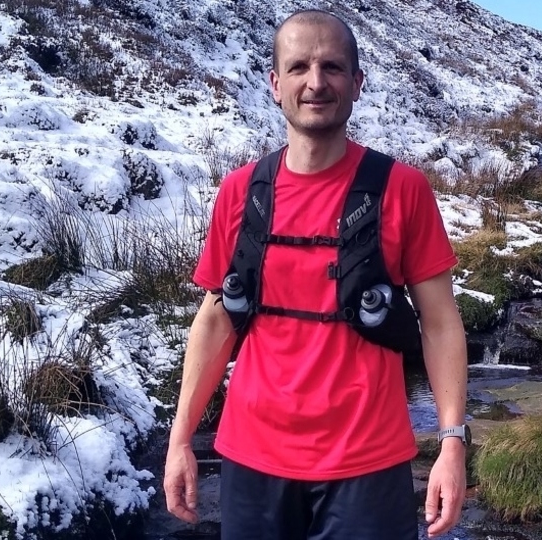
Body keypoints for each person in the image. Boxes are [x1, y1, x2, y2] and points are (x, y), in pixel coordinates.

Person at [164, 8, 469, 540]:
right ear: (275, 83)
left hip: (369, 466)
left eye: (332, 67)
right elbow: (215, 320)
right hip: (251, 461)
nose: (316, 82)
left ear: (357, 83)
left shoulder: (403, 189)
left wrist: (451, 443)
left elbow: (440, 324)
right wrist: (181, 438)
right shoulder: (241, 192)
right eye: (300, 66)